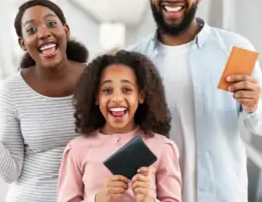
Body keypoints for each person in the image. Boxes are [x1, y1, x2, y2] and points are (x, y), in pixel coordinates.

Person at [125, 0, 262, 202]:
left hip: (221, 194)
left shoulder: (233, 49)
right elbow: (118, 132)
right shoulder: (131, 59)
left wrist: (254, 106)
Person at [0, 0, 89, 201]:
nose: (43, 33)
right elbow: (10, 172)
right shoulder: (12, 91)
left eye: (52, 24)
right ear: (23, 44)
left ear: (66, 31)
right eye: (31, 30)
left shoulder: (99, 79)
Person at [57, 50, 181, 202]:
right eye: (107, 90)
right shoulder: (77, 150)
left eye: (126, 90)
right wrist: (98, 200)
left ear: (141, 96)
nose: (116, 98)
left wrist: (148, 200)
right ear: (96, 97)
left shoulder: (162, 147)